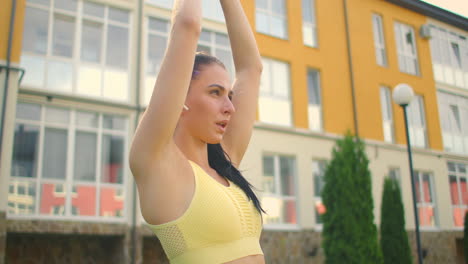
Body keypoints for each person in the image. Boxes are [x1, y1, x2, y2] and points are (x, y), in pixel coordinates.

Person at [129, 0, 264, 263]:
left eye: (230, 95)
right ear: (181, 98)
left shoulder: (225, 160)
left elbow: (252, 68)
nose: (230, 108)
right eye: (215, 93)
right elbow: (188, 23)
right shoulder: (156, 163)